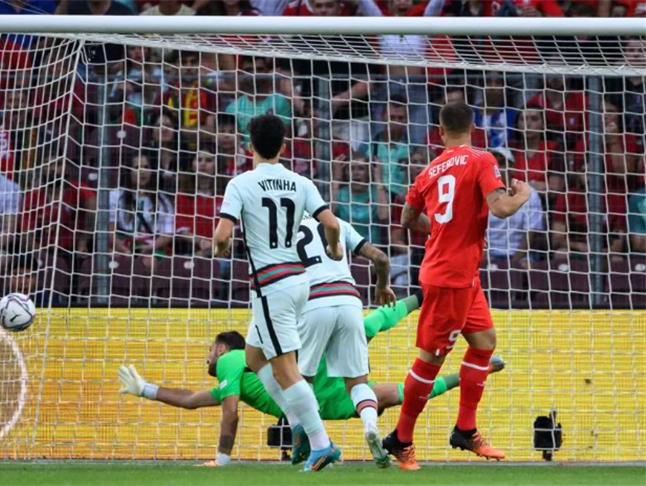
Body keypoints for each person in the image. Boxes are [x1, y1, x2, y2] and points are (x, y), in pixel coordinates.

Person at [117, 298, 507, 466]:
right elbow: (190, 399)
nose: (208, 356)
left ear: (223, 348)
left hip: (309, 392)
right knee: (397, 388)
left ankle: (421, 300)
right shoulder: (233, 378)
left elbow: (230, 414)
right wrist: (146, 389)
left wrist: (221, 460)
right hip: (317, 394)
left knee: (389, 383)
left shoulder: (232, 360)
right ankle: (463, 359)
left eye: (210, 350)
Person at [385, 102, 530, 470]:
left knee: (484, 342)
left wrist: (440, 230)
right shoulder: (482, 159)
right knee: (431, 360)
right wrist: (522, 195)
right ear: (473, 127)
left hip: (462, 275)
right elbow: (500, 208)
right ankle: (401, 438)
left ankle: (465, 429)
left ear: (439, 131)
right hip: (449, 277)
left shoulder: (428, 171)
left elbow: (406, 218)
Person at [212, 113, 343, 472]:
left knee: (286, 370)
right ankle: (297, 422)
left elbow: (222, 235)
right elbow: (331, 223)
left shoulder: (240, 183)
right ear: (284, 147)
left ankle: (322, 444)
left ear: (249, 146)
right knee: (254, 358)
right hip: (298, 281)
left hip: (272, 286)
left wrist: (220, 248)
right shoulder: (300, 182)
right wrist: (335, 249)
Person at [294, 214, 396, 467]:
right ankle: (370, 425)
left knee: (301, 381)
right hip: (349, 301)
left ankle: (317, 444)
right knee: (358, 382)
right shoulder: (337, 223)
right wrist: (382, 286)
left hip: (312, 302)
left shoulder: (284, 229)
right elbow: (381, 258)